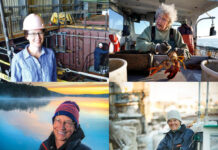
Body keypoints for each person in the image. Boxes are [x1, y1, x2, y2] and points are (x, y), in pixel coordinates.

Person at [11, 13, 57, 82]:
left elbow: (54, 80)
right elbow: (15, 89)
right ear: (26, 36)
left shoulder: (50, 54)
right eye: (33, 33)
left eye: (40, 32)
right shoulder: (18, 59)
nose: (37, 37)